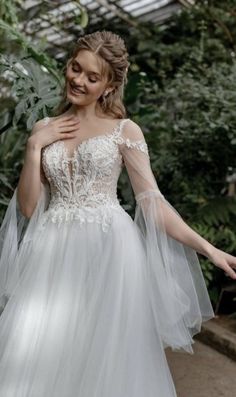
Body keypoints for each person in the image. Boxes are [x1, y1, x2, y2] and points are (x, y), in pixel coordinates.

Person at [0, 30, 235, 397]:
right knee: (41, 353)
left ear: (109, 86)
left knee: (103, 359)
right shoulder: (44, 129)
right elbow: (29, 207)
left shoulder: (124, 131)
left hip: (109, 253)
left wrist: (209, 248)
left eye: (92, 77)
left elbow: (152, 203)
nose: (78, 80)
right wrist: (34, 148)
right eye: (76, 68)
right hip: (50, 253)